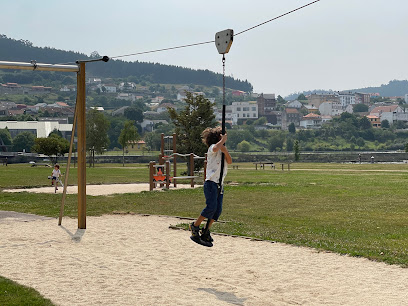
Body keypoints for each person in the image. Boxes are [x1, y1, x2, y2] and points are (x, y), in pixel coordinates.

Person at [189, 127, 232, 245]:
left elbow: (229, 161)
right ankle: (195, 225)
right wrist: (222, 142)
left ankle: (206, 230)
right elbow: (216, 148)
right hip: (211, 182)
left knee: (217, 210)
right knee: (211, 207)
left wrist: (225, 151)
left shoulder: (222, 149)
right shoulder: (212, 148)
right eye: (222, 136)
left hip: (220, 184)